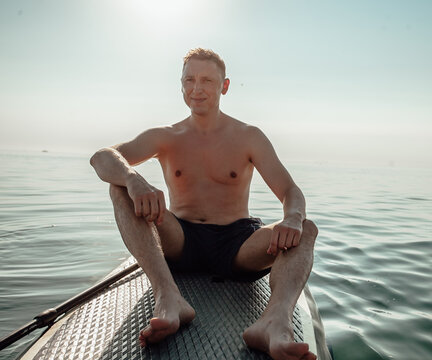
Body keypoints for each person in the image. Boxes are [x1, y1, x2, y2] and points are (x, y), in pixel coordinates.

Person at [90, 48, 318, 360]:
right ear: (181, 85)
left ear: (224, 86)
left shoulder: (249, 136)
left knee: (305, 228)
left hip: (237, 243)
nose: (197, 88)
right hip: (181, 238)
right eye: (190, 80)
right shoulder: (166, 136)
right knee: (119, 189)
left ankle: (274, 322)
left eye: (207, 80)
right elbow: (102, 157)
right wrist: (133, 179)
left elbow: (290, 189)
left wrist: (292, 217)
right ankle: (168, 297)